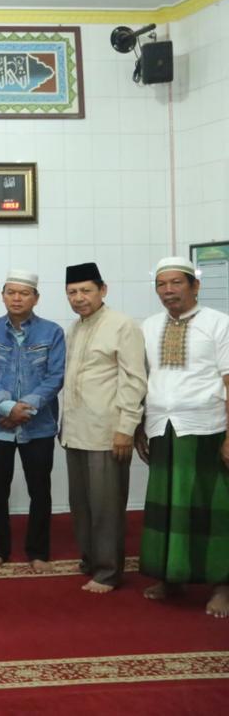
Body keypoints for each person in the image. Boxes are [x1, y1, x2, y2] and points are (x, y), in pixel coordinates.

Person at [136, 256, 229, 618]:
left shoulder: (219, 323)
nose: (168, 290)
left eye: (176, 283)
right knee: (166, 506)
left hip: (207, 428)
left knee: (212, 508)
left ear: (195, 286)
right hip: (163, 427)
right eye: (161, 284)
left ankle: (222, 585)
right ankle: (170, 577)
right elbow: (143, 379)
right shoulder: (149, 326)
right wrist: (140, 424)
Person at [62, 262, 146, 594]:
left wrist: (126, 428)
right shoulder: (75, 327)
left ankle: (109, 571)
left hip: (108, 433)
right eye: (72, 292)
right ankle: (91, 560)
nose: (79, 297)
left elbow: (134, 380)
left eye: (86, 290)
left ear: (103, 290)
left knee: (106, 506)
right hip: (75, 431)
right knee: (81, 504)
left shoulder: (122, 325)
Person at [0, 270, 65, 573]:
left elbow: (55, 377)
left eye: (24, 293)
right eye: (11, 292)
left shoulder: (52, 332)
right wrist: (6, 407)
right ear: (2, 296)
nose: (17, 298)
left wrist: (23, 410)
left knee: (39, 490)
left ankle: (38, 552)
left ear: (36, 298)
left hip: (38, 426)